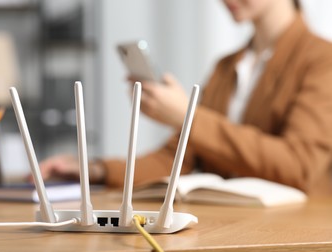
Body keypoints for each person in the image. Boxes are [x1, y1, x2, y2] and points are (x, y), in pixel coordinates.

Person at [39, 0, 332, 196]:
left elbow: (300, 166)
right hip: (229, 225)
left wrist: (187, 117)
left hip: (292, 234)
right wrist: (97, 170)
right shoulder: (227, 66)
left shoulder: (322, 60)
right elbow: (177, 159)